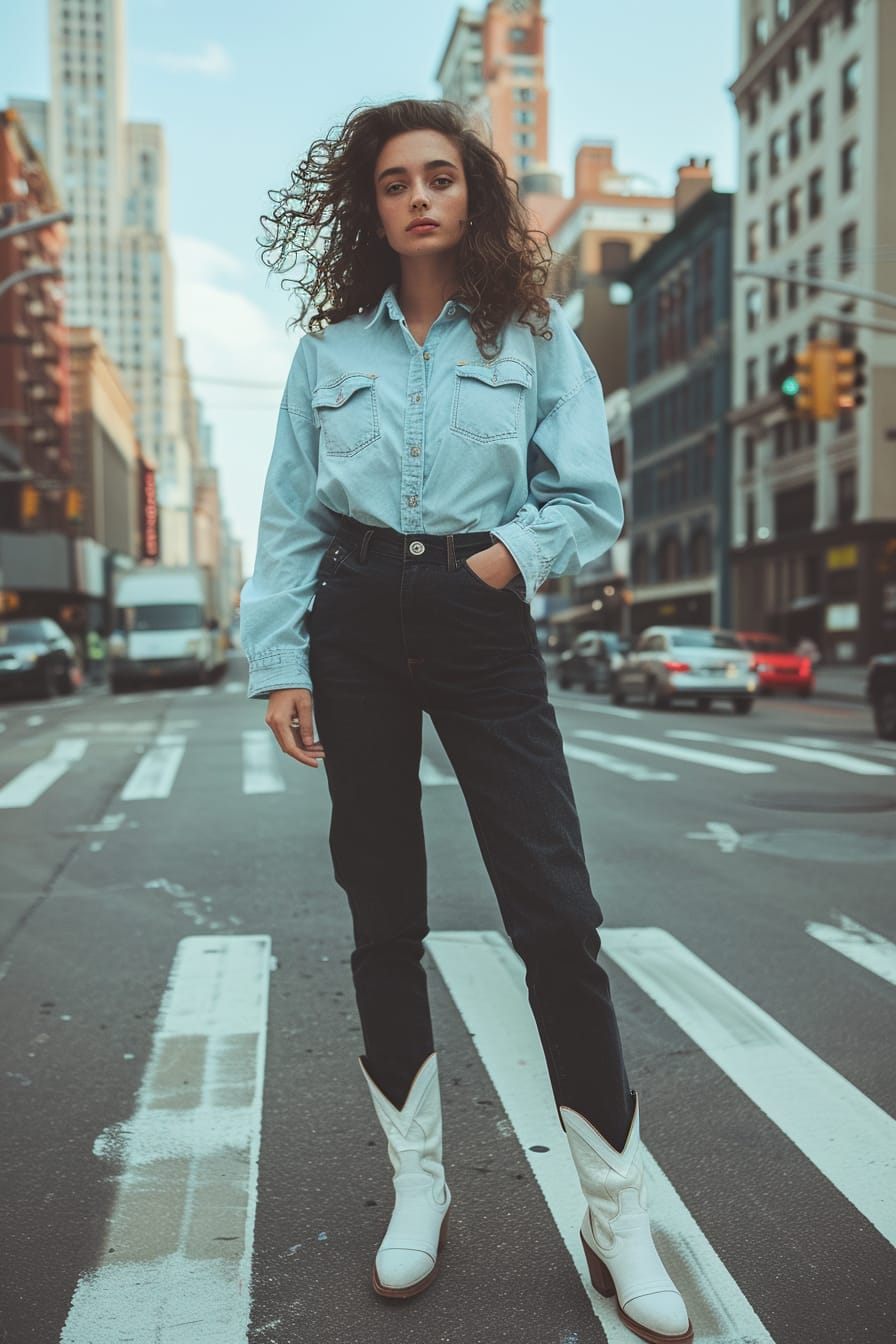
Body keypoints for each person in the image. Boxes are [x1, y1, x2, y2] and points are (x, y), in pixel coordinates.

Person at [241, 99, 692, 1344]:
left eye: (440, 177)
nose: (419, 198)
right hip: (354, 616)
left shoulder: (536, 334)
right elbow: (288, 516)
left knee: (553, 912)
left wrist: (497, 563)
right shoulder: (330, 352)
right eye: (395, 183)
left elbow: (585, 497)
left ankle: (616, 1216)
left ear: (472, 195)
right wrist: (280, 660)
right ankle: (418, 1188)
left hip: (481, 613)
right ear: (369, 208)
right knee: (381, 912)